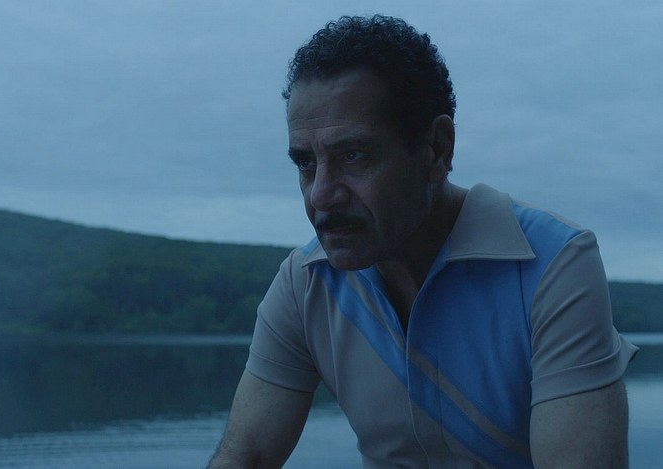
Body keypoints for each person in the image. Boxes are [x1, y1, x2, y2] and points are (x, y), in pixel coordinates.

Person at [207, 15, 638, 469]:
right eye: (306, 163)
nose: (320, 195)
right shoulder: (306, 283)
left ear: (437, 149)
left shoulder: (552, 264)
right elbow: (245, 456)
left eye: (353, 155)